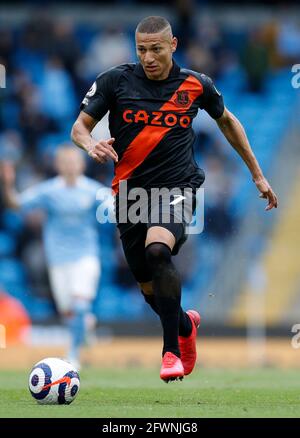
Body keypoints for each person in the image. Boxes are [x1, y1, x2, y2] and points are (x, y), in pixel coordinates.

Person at [71, 16, 278, 382]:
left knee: (157, 251)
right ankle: (185, 325)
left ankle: (170, 353)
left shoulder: (196, 85)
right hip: (129, 195)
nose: (148, 57)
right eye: (141, 50)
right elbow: (79, 127)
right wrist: (91, 144)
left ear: (173, 45)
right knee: (150, 290)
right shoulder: (115, 81)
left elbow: (228, 121)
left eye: (156, 49)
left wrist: (257, 174)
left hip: (177, 189)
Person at [1, 146, 109, 369]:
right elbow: (16, 204)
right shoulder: (49, 191)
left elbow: (117, 209)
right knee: (70, 312)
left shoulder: (93, 191)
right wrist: (8, 184)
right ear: (58, 165)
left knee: (79, 306)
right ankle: (84, 327)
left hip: (85, 256)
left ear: (81, 165)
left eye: (74, 162)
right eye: (65, 162)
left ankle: (74, 353)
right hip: (58, 260)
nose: (70, 166)